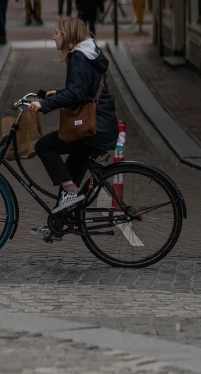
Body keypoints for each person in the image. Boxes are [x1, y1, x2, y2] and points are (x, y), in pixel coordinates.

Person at [28, 18, 119, 237]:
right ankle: (58, 222)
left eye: (57, 32)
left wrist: (44, 104)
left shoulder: (78, 56)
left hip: (93, 129)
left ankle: (69, 196)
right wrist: (58, 92)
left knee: (44, 146)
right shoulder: (88, 55)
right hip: (102, 125)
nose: (54, 37)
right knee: (69, 173)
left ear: (68, 35)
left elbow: (76, 94)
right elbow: (84, 89)